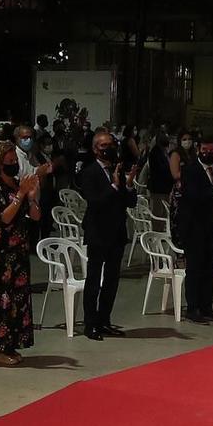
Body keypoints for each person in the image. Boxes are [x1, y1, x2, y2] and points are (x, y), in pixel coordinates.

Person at [0, 140, 42, 364]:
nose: (14, 164)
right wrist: (20, 195)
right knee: (2, 298)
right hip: (2, 253)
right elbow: (4, 217)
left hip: (19, 251)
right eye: (9, 161)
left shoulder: (18, 185)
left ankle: (12, 344)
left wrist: (31, 195)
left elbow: (35, 217)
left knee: (17, 298)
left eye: (15, 161)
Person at [78, 130, 137, 337]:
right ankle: (90, 323)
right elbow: (95, 202)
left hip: (117, 231)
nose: (109, 149)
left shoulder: (117, 170)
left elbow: (130, 202)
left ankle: (105, 320)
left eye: (111, 144)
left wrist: (128, 185)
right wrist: (113, 186)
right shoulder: (89, 171)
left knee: (112, 279)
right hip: (98, 232)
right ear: (95, 149)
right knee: (94, 279)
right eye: (104, 145)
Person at [176, 134, 213, 322]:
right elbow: (194, 198)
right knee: (195, 268)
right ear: (198, 149)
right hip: (194, 227)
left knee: (210, 267)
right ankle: (192, 308)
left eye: (212, 151)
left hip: (212, 226)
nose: (208, 154)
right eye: (204, 150)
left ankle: (206, 306)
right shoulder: (190, 170)